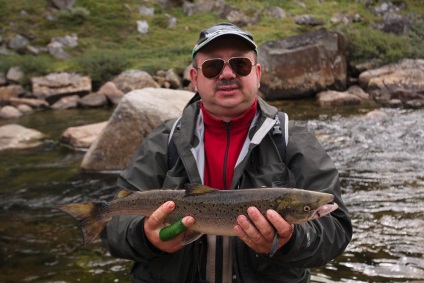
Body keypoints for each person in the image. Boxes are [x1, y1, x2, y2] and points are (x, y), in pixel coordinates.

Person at [100, 22, 352, 282]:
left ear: (258, 73)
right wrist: (147, 238)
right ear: (195, 78)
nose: (227, 74)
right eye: (213, 66)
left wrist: (290, 241)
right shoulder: (164, 141)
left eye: (240, 65)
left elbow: (336, 229)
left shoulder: (292, 140)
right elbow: (113, 227)